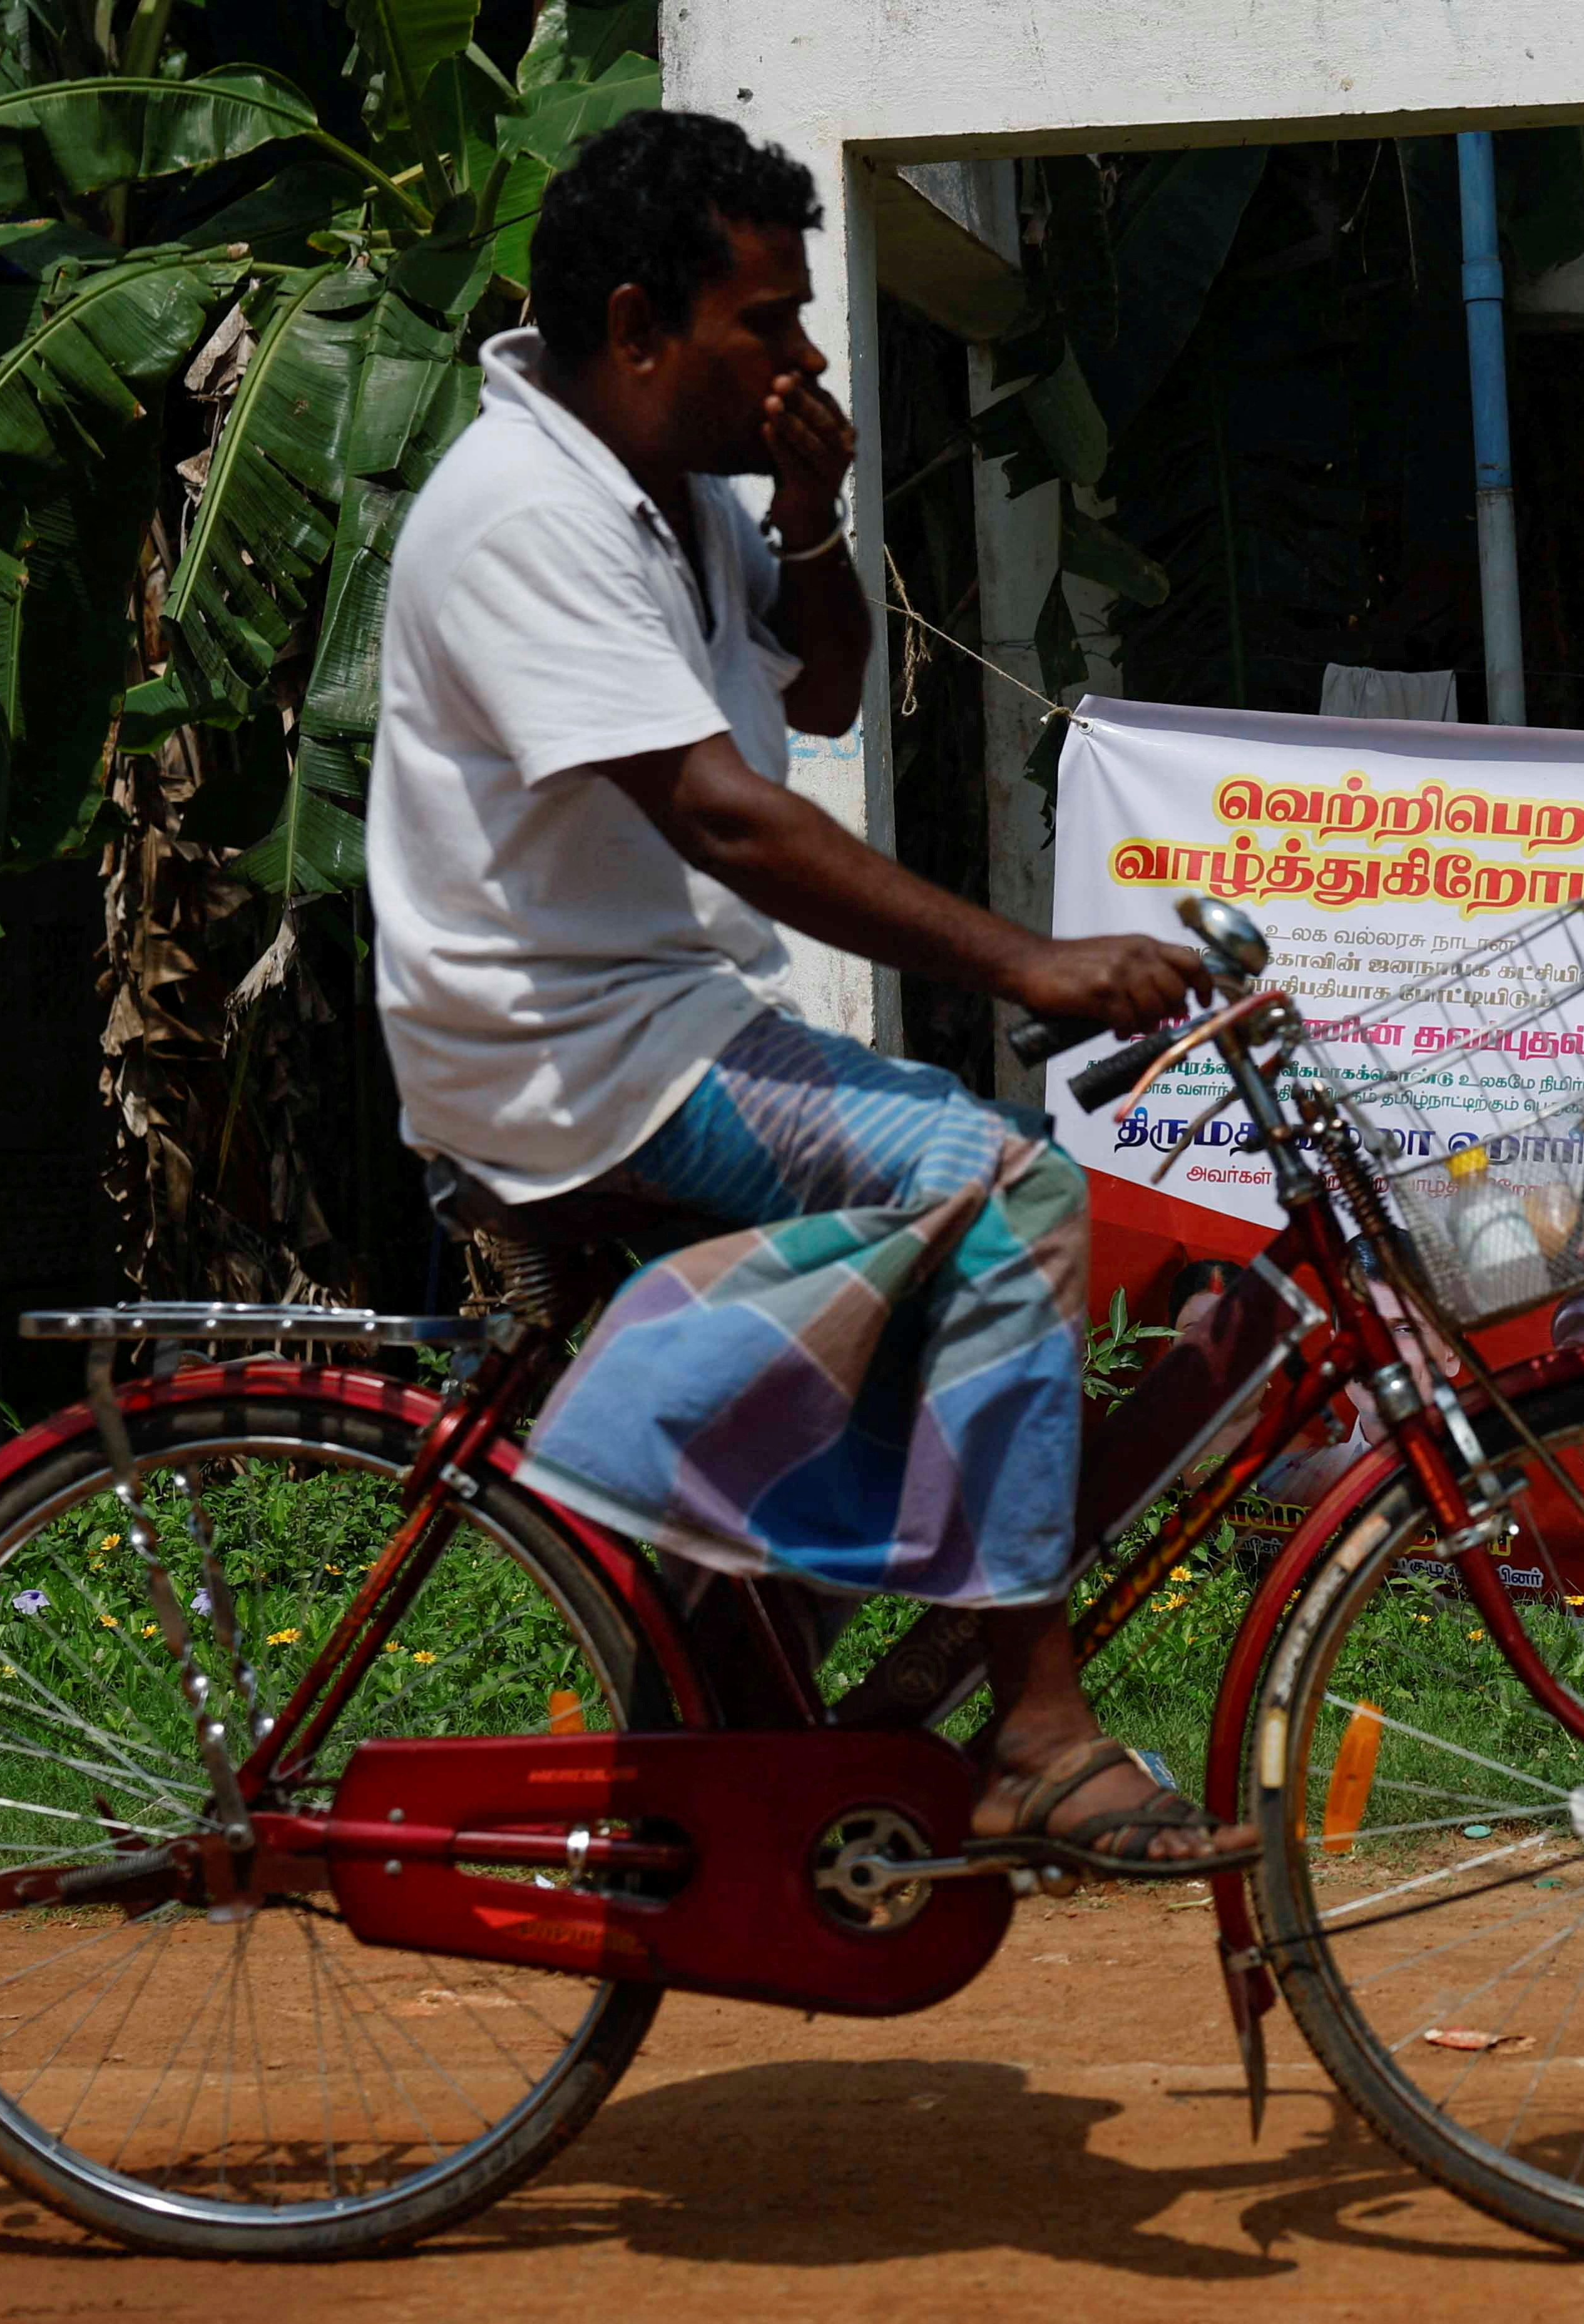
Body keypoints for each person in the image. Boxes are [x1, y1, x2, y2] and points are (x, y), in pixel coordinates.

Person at [365, 111, 1245, 1866]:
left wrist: (816, 513)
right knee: (996, 1188)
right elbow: (720, 812)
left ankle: (746, 1661)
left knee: (959, 1209)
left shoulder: (667, 487)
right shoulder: (526, 512)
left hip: (662, 1017)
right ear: (637, 326)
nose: (806, 355)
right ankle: (1037, 1728)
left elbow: (825, 694)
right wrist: (1025, 955)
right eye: (764, 321)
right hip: (574, 1053)